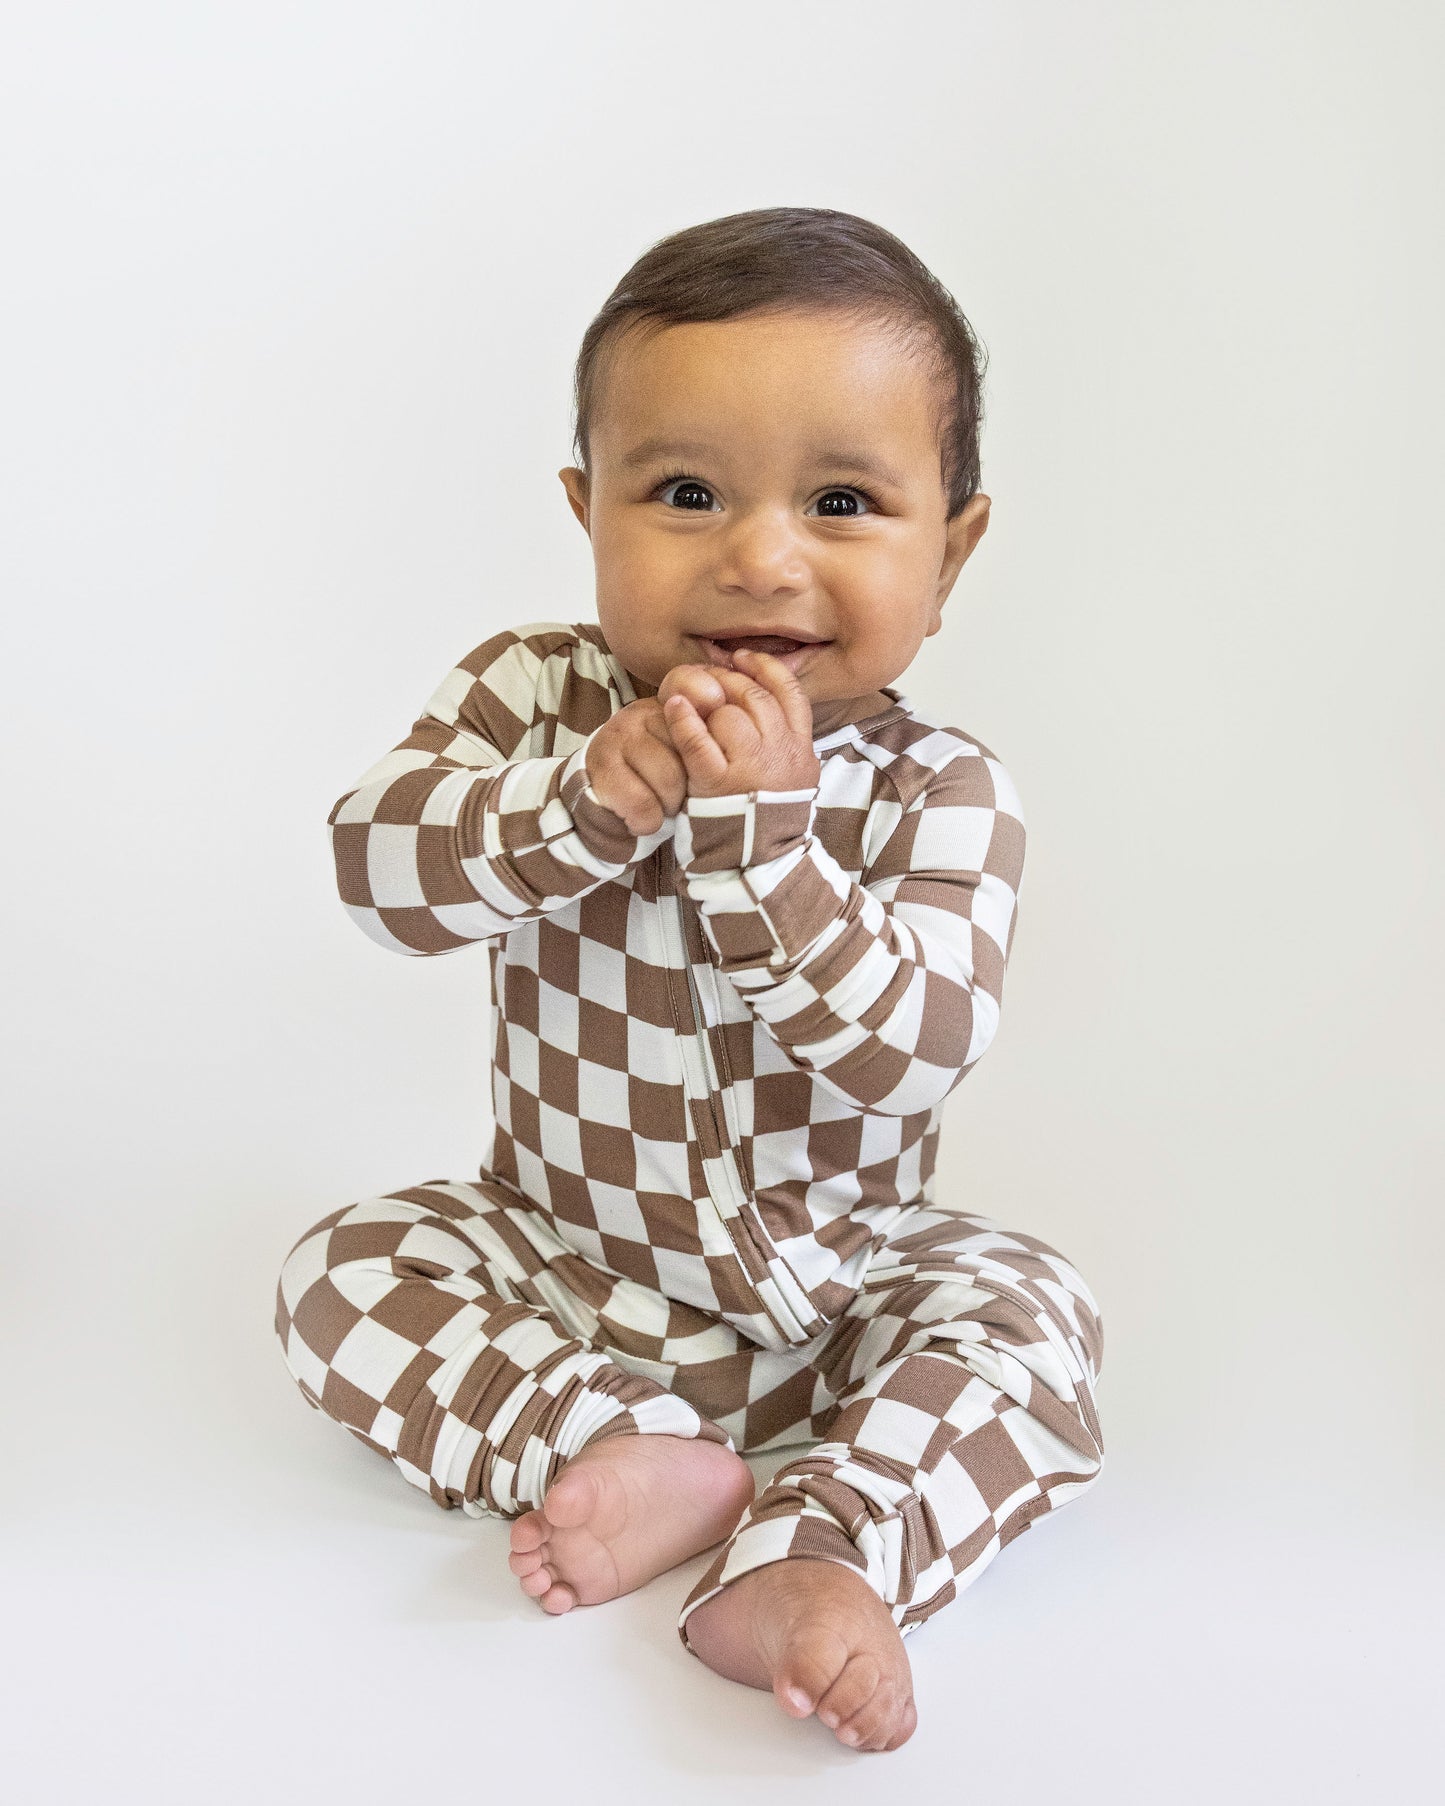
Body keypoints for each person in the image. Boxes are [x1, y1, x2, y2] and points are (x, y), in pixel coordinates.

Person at [273, 206, 1106, 1755]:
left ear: (949, 550)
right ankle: (621, 1439)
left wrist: (766, 848)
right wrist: (582, 799)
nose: (758, 555)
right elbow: (377, 872)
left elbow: (910, 1048)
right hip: (557, 1257)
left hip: (841, 1285)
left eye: (842, 501)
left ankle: (817, 1545)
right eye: (683, 492)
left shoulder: (942, 788)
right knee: (343, 1270)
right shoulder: (536, 696)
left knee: (1033, 1315)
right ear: (587, 509)